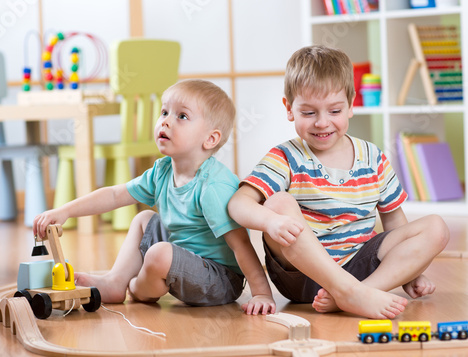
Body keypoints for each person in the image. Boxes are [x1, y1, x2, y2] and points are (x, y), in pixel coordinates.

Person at [227, 45, 450, 319]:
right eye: (309, 113)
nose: (322, 123)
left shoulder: (373, 157)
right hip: (303, 274)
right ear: (289, 109)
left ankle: (355, 293)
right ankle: (349, 292)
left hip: (360, 266)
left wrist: (411, 272)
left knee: (436, 227)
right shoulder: (285, 156)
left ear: (351, 105)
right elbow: (238, 205)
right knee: (278, 202)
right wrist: (271, 222)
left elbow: (394, 222)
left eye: (334, 111)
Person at [33, 79, 275, 315]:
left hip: (218, 279)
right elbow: (116, 195)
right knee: (145, 219)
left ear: (210, 139)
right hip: (182, 255)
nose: (166, 122)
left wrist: (261, 293)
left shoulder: (213, 186)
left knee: (160, 252)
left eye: (182, 116)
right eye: (164, 112)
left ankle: (140, 288)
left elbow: (241, 244)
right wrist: (64, 211)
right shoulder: (162, 171)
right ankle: (116, 281)